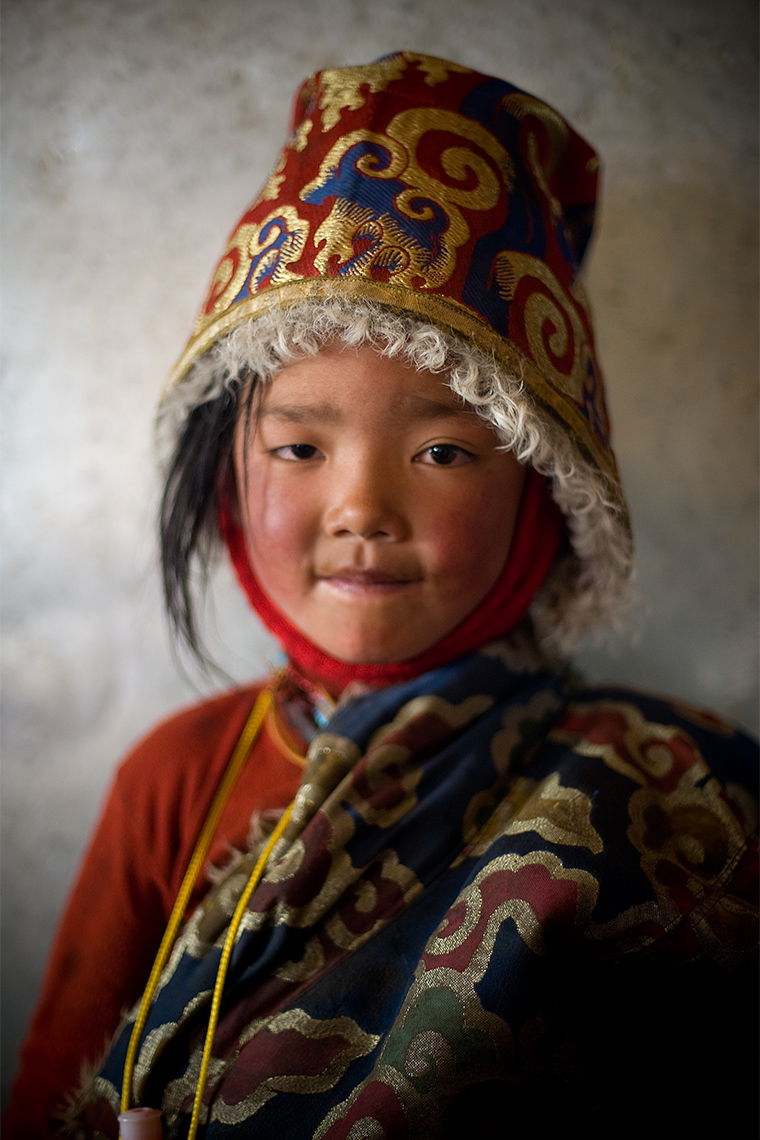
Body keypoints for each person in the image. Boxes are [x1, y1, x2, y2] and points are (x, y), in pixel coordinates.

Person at [6, 52, 758, 1139]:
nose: (360, 506)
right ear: (225, 478)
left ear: (544, 498)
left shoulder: (662, 806)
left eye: (446, 452)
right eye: (301, 445)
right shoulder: (174, 780)